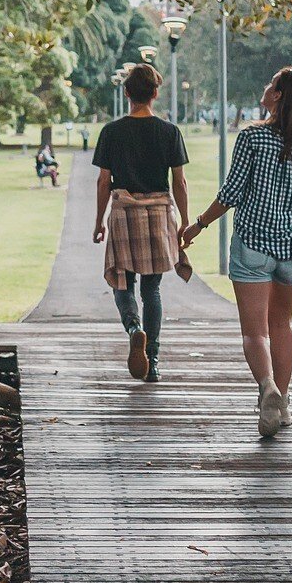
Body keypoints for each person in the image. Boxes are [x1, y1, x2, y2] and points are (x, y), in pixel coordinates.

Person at [182, 67, 292, 438]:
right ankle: (285, 405)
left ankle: (267, 389)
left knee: (255, 333)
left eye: (271, 84)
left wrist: (198, 224)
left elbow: (230, 194)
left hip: (253, 247)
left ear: (277, 96)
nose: (265, 87)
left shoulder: (252, 139)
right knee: (282, 325)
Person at [91, 63, 192, 383]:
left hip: (124, 214)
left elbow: (103, 182)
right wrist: (185, 222)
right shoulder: (169, 131)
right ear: (156, 94)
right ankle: (154, 360)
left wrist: (98, 221)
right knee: (152, 289)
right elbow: (180, 182)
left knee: (121, 282)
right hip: (158, 214)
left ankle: (134, 328)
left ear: (127, 93)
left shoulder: (111, 132)